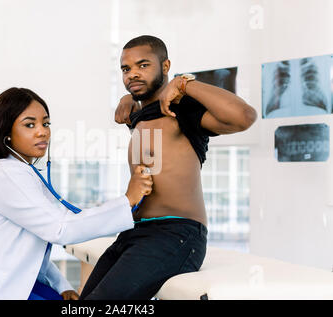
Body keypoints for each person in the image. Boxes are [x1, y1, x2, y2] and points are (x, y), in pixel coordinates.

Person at [79, 35, 257, 300]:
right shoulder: (138, 115)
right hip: (134, 232)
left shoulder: (180, 109)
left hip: (176, 234)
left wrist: (184, 84)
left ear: (165, 66)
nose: (133, 74)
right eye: (126, 69)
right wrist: (127, 100)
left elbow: (245, 117)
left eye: (143, 65)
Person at [0, 87, 153, 300]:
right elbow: (61, 228)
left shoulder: (23, 173)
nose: (42, 131)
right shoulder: (6, 173)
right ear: (6, 133)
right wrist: (127, 200)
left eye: (46, 123)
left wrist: (62, 286)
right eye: (30, 125)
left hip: (2, 280)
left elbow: (30, 248)